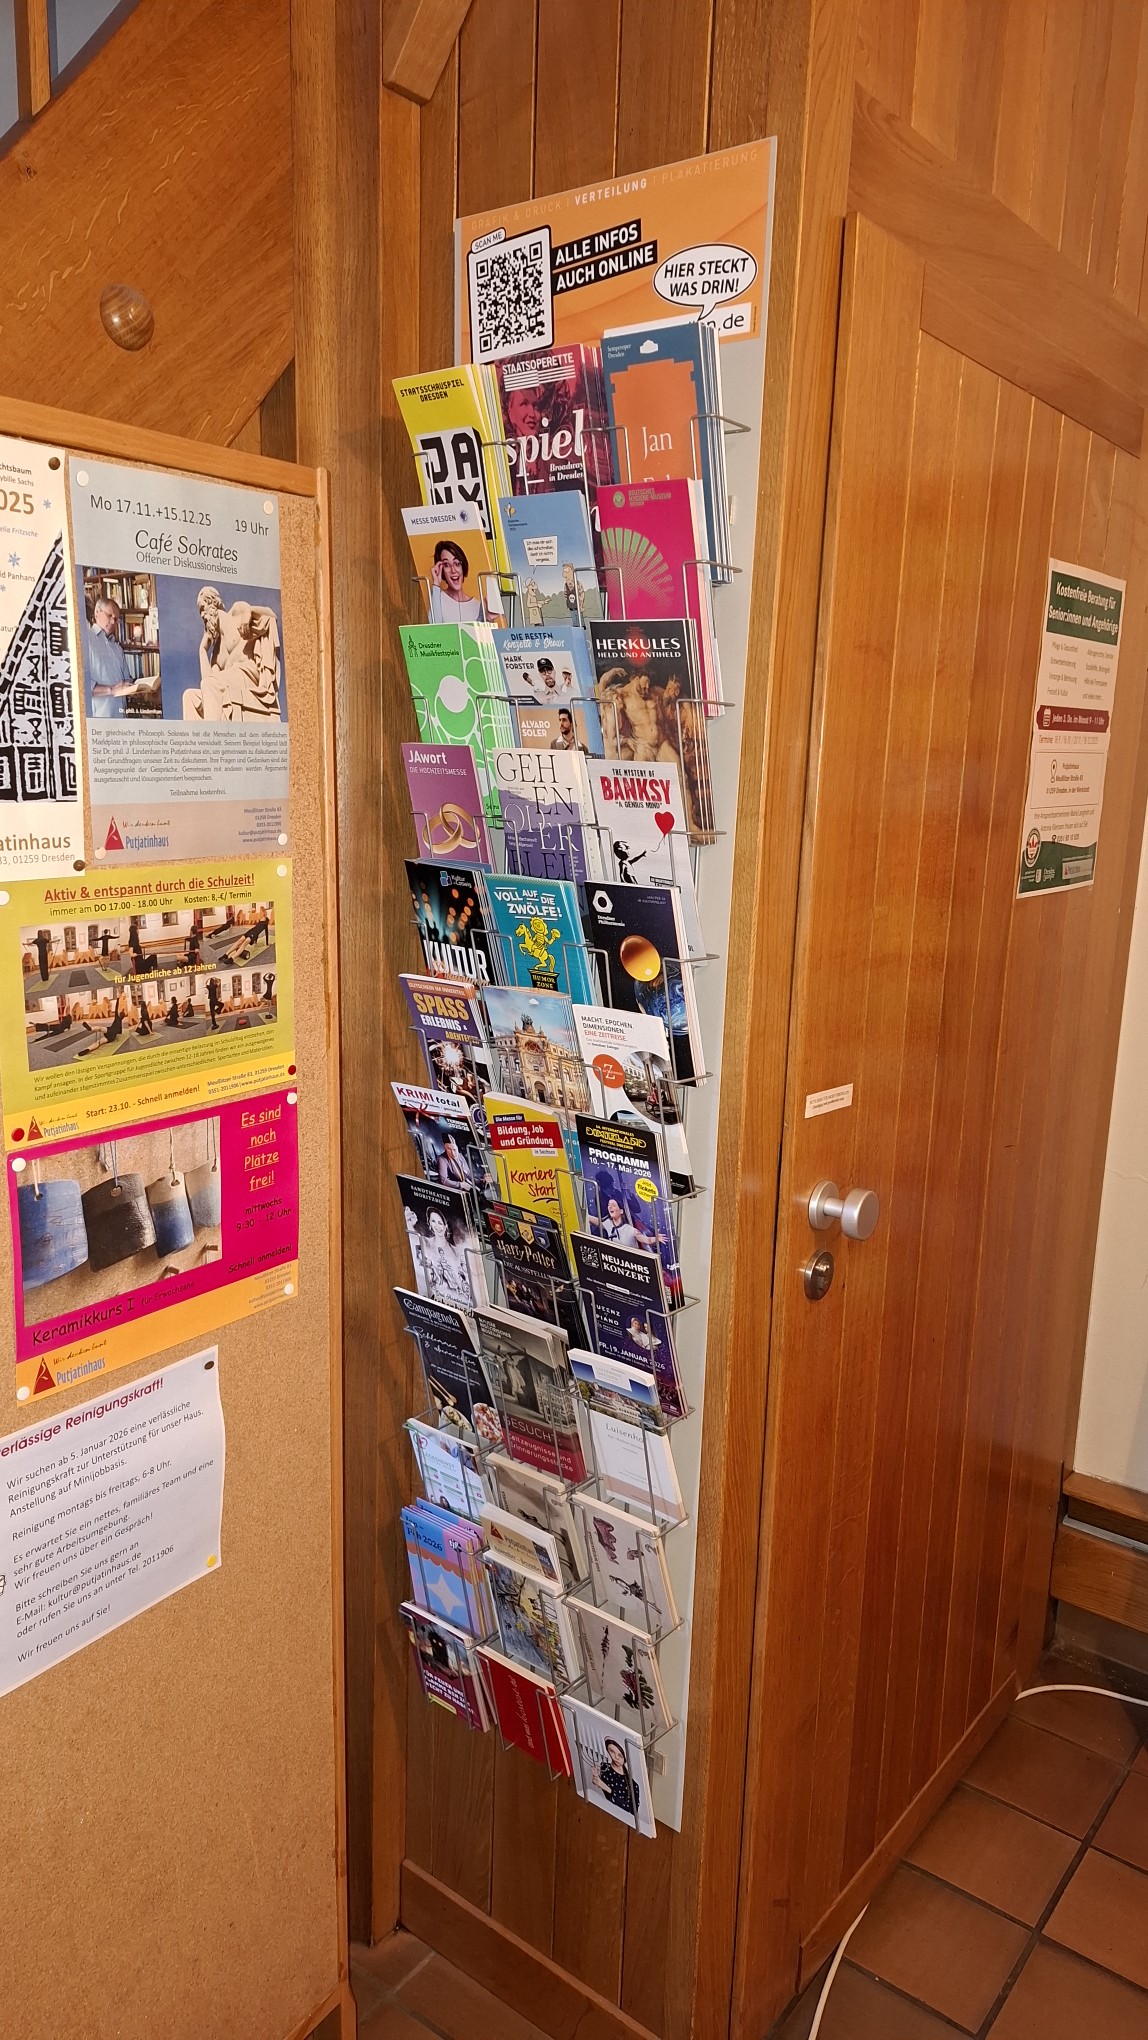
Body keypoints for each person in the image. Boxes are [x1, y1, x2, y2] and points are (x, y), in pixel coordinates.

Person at [181, 587, 282, 721]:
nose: (202, 615)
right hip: (231, 682)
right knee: (190, 697)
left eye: (202, 608)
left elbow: (271, 616)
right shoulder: (216, 651)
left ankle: (213, 732)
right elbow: (206, 685)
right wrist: (203, 650)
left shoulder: (235, 613)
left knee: (210, 684)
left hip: (248, 675)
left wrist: (250, 611)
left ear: (213, 602)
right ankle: (205, 733)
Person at [87, 596, 143, 718]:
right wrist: (111, 690)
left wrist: (135, 689)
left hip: (120, 717)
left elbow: (126, 679)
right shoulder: (85, 641)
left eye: (116, 619)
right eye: (109, 616)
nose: (113, 622)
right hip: (99, 718)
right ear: (97, 613)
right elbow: (81, 683)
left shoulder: (117, 648)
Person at [428, 539, 484, 624]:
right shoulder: (438, 598)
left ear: (462, 566)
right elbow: (433, 627)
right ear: (441, 569)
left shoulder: (478, 606)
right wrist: (436, 584)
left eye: (457, 563)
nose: (453, 570)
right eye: (446, 565)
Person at [598, 1739, 639, 1817]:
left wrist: (606, 1788)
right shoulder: (604, 1768)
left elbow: (632, 1810)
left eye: (620, 1755)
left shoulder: (633, 1785)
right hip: (602, 1811)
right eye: (612, 1751)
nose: (616, 1757)